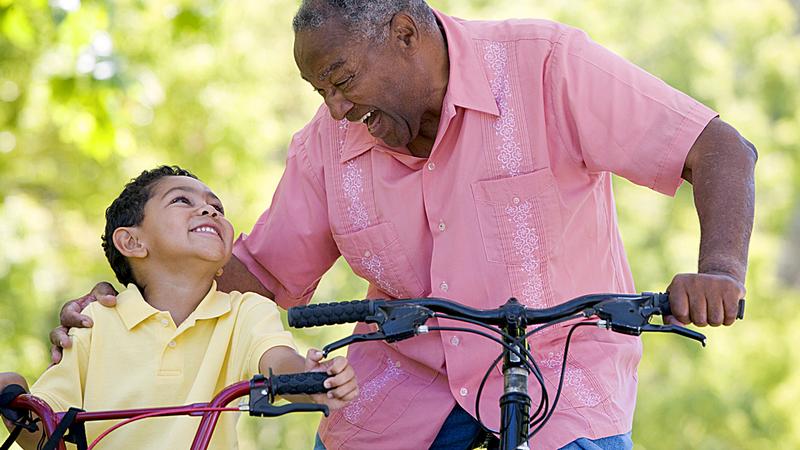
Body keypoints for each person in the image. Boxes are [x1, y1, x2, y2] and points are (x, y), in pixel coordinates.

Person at [52, 1, 757, 449]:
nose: (332, 109)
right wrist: (128, 306)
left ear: (405, 33)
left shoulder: (546, 65)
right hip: (397, 389)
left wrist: (720, 270)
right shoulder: (326, 144)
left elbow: (718, 148)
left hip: (560, 378)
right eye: (319, 90)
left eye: (341, 79)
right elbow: (261, 278)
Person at [1, 166, 358, 449]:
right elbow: (48, 426)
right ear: (132, 241)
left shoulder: (244, 312)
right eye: (180, 201)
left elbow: (277, 360)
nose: (209, 210)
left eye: (218, 208)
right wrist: (15, 404)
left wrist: (309, 378)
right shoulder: (95, 321)